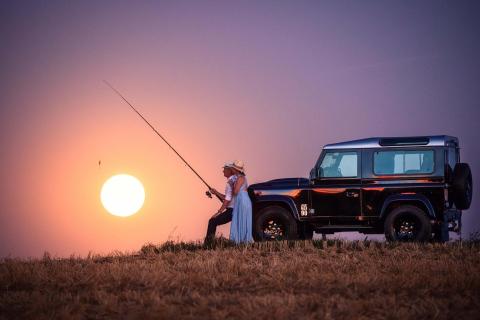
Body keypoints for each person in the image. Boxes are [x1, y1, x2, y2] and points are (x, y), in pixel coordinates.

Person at [204, 163, 237, 244]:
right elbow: (227, 197)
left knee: (212, 221)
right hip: (234, 209)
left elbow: (227, 199)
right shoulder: (234, 180)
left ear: (230, 171)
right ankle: (209, 243)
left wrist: (218, 212)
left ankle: (208, 244)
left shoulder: (231, 182)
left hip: (232, 210)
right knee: (213, 221)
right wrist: (216, 192)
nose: (223, 171)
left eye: (225, 169)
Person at [229, 160, 254, 244]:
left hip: (242, 201)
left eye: (232, 168)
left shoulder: (240, 178)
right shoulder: (241, 177)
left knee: (241, 218)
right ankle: (240, 240)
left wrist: (231, 184)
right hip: (242, 200)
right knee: (241, 218)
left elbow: (235, 192)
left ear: (235, 169)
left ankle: (240, 240)